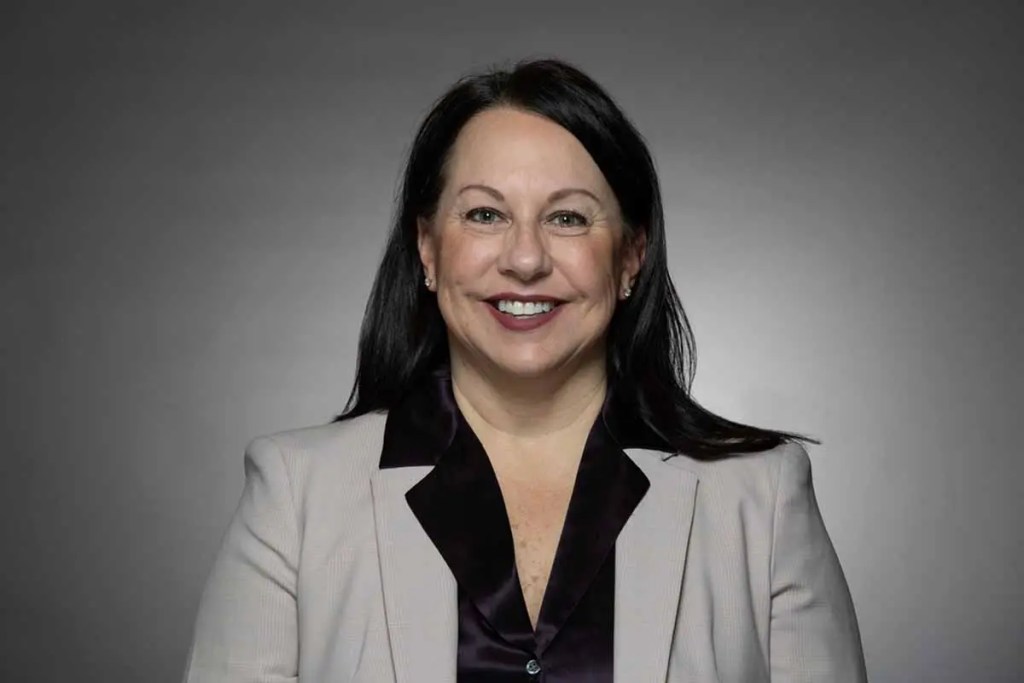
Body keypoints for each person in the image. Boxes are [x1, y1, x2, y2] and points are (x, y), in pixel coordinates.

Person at [182, 58, 867, 682]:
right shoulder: (295, 500)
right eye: (485, 214)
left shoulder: (762, 498)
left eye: (568, 218)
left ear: (630, 257)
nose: (526, 259)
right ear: (427, 248)